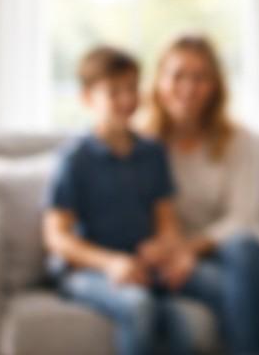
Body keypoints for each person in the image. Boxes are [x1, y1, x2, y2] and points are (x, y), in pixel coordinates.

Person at [138, 33, 259, 355]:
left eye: (199, 77)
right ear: (158, 81)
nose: (188, 87)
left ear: (215, 86)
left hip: (251, 253)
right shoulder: (143, 146)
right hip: (189, 263)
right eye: (177, 75)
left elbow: (243, 218)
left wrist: (187, 249)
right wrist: (174, 253)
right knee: (255, 293)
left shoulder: (240, 140)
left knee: (242, 252)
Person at [42, 45, 195, 355]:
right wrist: (111, 263)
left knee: (179, 323)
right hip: (87, 272)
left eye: (131, 89)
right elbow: (57, 237)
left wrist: (168, 248)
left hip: (140, 265)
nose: (126, 100)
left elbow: (166, 221)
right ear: (87, 98)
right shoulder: (75, 159)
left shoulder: (153, 153)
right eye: (113, 92)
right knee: (139, 306)